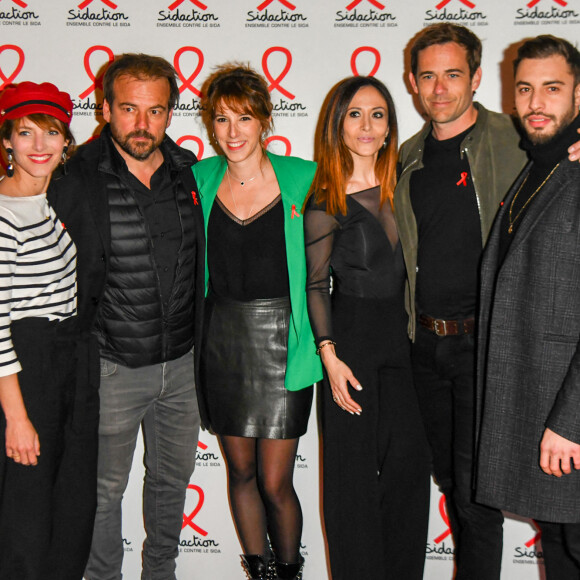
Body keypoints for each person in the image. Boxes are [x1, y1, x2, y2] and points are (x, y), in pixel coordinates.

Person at [48, 54, 206, 580]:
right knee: (103, 491)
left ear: (170, 112)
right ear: (105, 108)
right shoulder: (73, 177)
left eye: (156, 111)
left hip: (181, 367)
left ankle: (161, 572)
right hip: (111, 366)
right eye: (130, 109)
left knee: (170, 484)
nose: (143, 124)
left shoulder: (190, 173)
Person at [193, 63, 321, 580]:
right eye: (221, 120)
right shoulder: (199, 178)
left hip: (284, 342)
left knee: (275, 482)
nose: (232, 132)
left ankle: (289, 569)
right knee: (240, 471)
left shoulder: (304, 177)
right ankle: (259, 569)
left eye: (244, 118)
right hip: (221, 342)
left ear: (265, 120)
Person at [303, 76, 431, 580]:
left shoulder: (408, 182)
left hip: (407, 345)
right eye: (355, 114)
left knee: (406, 476)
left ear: (390, 125)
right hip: (350, 344)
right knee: (350, 482)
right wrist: (329, 357)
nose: (366, 125)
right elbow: (315, 285)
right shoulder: (325, 199)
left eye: (378, 114)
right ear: (338, 123)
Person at [475, 35, 580, 580]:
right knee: (560, 551)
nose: (537, 102)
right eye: (525, 89)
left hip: (569, 419)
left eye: (553, 88)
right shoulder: (538, 166)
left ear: (579, 93)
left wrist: (572, 421)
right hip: (538, 400)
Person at [0, 82, 100, 580]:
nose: (39, 144)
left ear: (66, 143)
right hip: (26, 371)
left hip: (69, 364)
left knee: (69, 503)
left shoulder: (51, 205)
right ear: (7, 144)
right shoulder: (2, 217)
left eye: (52, 132)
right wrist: (16, 419)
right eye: (25, 132)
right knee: (26, 513)